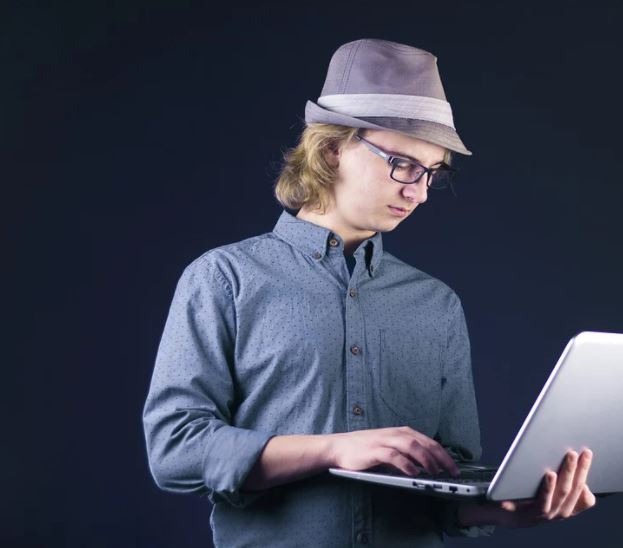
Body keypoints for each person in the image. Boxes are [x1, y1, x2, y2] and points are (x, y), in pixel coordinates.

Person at [143, 38, 596, 547]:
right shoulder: (224, 279)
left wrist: (510, 509)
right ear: (332, 149)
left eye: (432, 172)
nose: (419, 191)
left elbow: (449, 485)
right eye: (402, 164)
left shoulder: (437, 303)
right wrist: (333, 450)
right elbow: (175, 451)